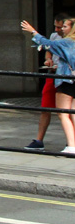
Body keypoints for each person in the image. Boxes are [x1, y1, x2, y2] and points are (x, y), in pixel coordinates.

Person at [21, 18, 75, 155]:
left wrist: (33, 32)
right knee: (73, 114)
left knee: (63, 114)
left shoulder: (67, 42)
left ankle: (71, 146)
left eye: (64, 26)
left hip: (66, 81)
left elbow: (47, 44)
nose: (62, 29)